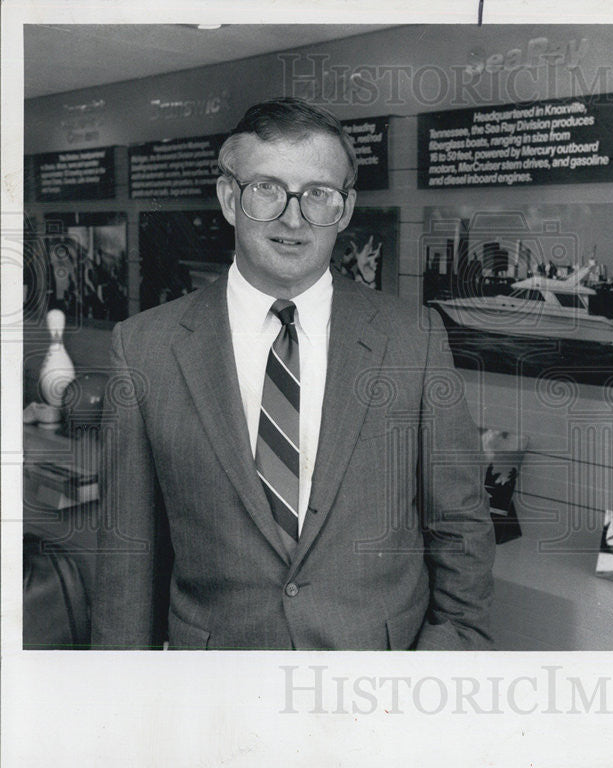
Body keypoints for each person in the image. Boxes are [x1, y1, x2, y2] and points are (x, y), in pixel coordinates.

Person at [91, 98, 495, 650]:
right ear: (229, 198)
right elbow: (127, 554)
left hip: (377, 682)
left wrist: (444, 664)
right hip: (220, 688)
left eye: (318, 195)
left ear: (345, 209)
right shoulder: (144, 349)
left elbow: (460, 525)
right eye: (267, 189)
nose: (292, 217)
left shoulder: (413, 338)